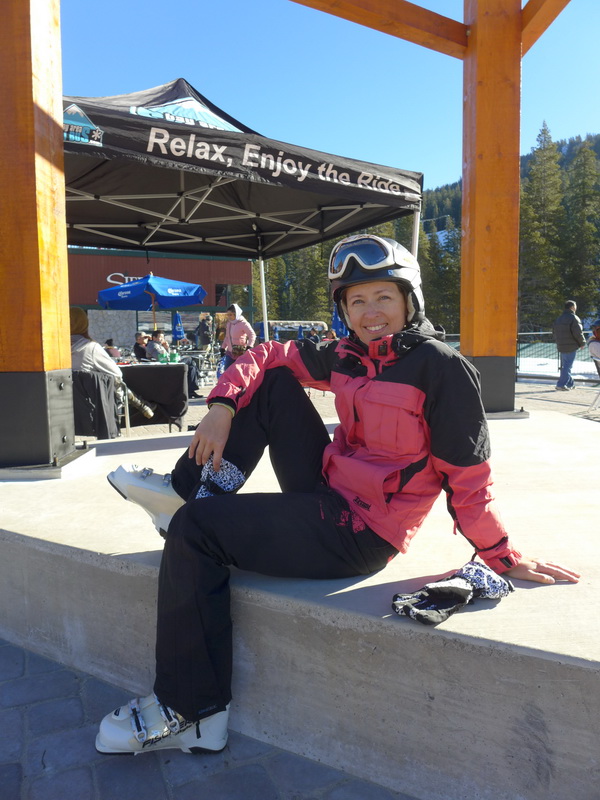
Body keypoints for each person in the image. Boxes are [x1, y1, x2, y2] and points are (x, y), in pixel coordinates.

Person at [96, 235, 579, 757]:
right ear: (344, 310)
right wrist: (222, 405)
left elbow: (469, 481)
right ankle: (185, 491)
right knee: (272, 382)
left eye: (383, 297)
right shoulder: (347, 355)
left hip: (361, 533)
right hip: (327, 494)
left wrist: (502, 556)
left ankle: (192, 711)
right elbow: (267, 352)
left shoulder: (440, 369)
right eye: (357, 300)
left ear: (409, 300)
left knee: (197, 530)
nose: (371, 313)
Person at [70, 308, 155, 419]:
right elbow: (117, 373)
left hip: (65, 402)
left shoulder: (54, 349)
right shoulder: (90, 348)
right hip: (93, 405)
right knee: (115, 380)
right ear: (85, 324)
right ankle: (141, 405)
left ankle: (142, 405)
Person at [552, 300, 586, 390]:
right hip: (571, 346)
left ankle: (570, 384)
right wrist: (582, 343)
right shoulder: (574, 318)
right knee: (567, 366)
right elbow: (578, 332)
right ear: (572, 307)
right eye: (575, 306)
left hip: (561, 345)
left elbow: (554, 332)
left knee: (566, 365)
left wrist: (558, 341)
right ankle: (561, 384)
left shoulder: (559, 319)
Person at [222, 303, 256, 370]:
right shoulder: (229, 324)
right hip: (230, 353)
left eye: (230, 315)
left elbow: (252, 334)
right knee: (227, 371)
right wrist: (223, 347)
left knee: (240, 371)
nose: (229, 317)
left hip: (240, 352)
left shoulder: (243, 323)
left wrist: (249, 346)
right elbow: (227, 337)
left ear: (236, 314)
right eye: (228, 315)